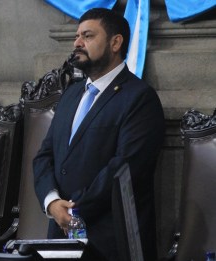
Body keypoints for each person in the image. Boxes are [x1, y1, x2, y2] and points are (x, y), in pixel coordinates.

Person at [33, 8, 164, 261]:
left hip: (110, 241)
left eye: (88, 36)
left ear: (116, 42)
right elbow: (45, 155)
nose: (77, 43)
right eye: (77, 36)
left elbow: (124, 168)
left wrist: (73, 211)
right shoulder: (71, 94)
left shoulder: (139, 98)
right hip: (60, 235)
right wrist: (52, 202)